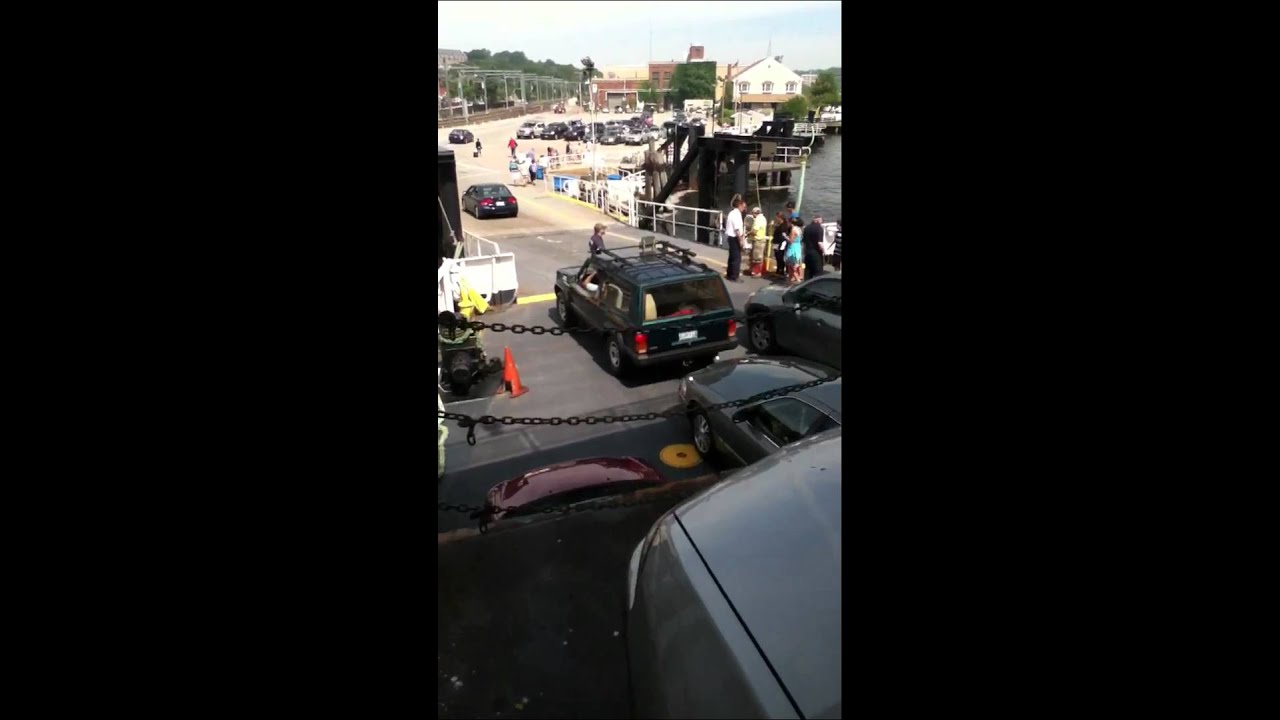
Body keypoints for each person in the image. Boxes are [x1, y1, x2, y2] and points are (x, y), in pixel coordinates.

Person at [723, 196, 746, 282]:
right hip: (734, 237)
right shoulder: (737, 214)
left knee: (731, 257)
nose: (744, 209)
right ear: (739, 205)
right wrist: (741, 240)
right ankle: (734, 276)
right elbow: (737, 229)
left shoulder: (731, 213)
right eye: (743, 207)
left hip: (730, 237)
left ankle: (729, 274)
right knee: (737, 258)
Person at [802, 215, 825, 280]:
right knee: (818, 272)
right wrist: (823, 251)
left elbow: (804, 242)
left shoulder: (806, 228)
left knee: (808, 271)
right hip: (816, 253)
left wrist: (804, 252)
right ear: (818, 220)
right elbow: (819, 243)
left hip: (808, 252)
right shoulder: (819, 228)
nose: (821, 223)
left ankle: (806, 286)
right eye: (821, 221)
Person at [749, 207, 768, 276]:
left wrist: (748, 233)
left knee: (756, 257)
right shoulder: (763, 218)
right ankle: (757, 271)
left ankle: (757, 272)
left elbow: (754, 230)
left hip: (758, 240)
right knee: (759, 256)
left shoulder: (758, 219)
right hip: (761, 240)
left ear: (755, 213)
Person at [785, 217, 805, 283]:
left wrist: (785, 236)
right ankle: (790, 279)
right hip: (798, 246)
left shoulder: (793, 229)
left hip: (792, 247)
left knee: (791, 265)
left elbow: (791, 241)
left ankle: (797, 280)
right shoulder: (799, 229)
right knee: (796, 264)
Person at [772, 212, 790, 278]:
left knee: (780, 256)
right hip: (777, 242)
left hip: (781, 243)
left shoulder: (784, 226)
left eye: (777, 217)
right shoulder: (781, 225)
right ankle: (778, 270)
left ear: (780, 218)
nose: (776, 219)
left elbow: (782, 234)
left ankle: (781, 271)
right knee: (777, 256)